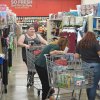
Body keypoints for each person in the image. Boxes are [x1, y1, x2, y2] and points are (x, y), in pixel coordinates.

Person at [74, 31, 100, 100]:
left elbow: (76, 56)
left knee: (88, 84)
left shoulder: (80, 43)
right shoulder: (95, 43)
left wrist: (83, 56)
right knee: (93, 86)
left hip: (85, 65)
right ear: (93, 37)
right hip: (95, 65)